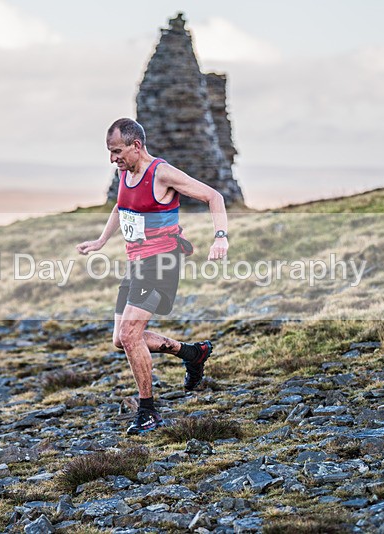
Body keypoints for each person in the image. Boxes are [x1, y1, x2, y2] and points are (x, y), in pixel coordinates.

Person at [76, 118, 229, 435]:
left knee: (131, 335)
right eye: (109, 152)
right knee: (120, 340)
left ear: (136, 146)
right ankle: (192, 353)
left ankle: (148, 412)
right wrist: (102, 240)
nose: (113, 159)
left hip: (161, 264)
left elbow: (215, 196)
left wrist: (220, 236)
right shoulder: (124, 173)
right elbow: (121, 208)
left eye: (117, 151)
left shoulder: (161, 173)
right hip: (136, 264)